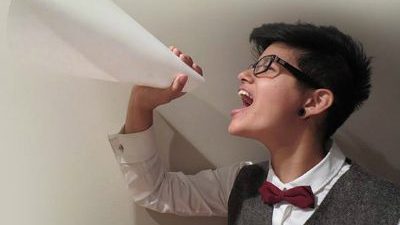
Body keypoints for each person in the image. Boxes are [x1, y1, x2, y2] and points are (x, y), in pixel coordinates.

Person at [108, 22, 400, 225]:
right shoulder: (241, 183)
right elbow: (155, 191)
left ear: (313, 102)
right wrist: (141, 104)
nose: (243, 75)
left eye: (266, 67)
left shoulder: (389, 209)